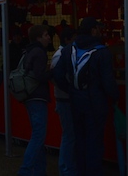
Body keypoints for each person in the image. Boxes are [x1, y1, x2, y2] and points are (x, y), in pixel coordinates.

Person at [53, 18, 118, 176]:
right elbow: (108, 82)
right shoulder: (102, 52)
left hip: (76, 102)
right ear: (93, 30)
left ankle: (81, 171)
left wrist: (71, 90)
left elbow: (57, 75)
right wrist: (114, 97)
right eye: (98, 28)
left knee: (80, 140)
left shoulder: (68, 49)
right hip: (96, 104)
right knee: (94, 141)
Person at [17, 25, 52, 176]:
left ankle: (39, 170)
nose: (49, 37)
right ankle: (26, 170)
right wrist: (52, 71)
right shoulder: (39, 52)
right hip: (37, 97)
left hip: (30, 96)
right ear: (38, 38)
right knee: (38, 135)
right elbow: (39, 75)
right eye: (46, 35)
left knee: (38, 135)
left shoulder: (29, 50)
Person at [51, 27, 77, 176]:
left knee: (70, 135)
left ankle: (68, 168)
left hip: (65, 98)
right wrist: (69, 90)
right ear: (67, 40)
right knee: (69, 136)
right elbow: (56, 78)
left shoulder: (63, 54)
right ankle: (66, 169)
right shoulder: (60, 55)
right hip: (64, 99)